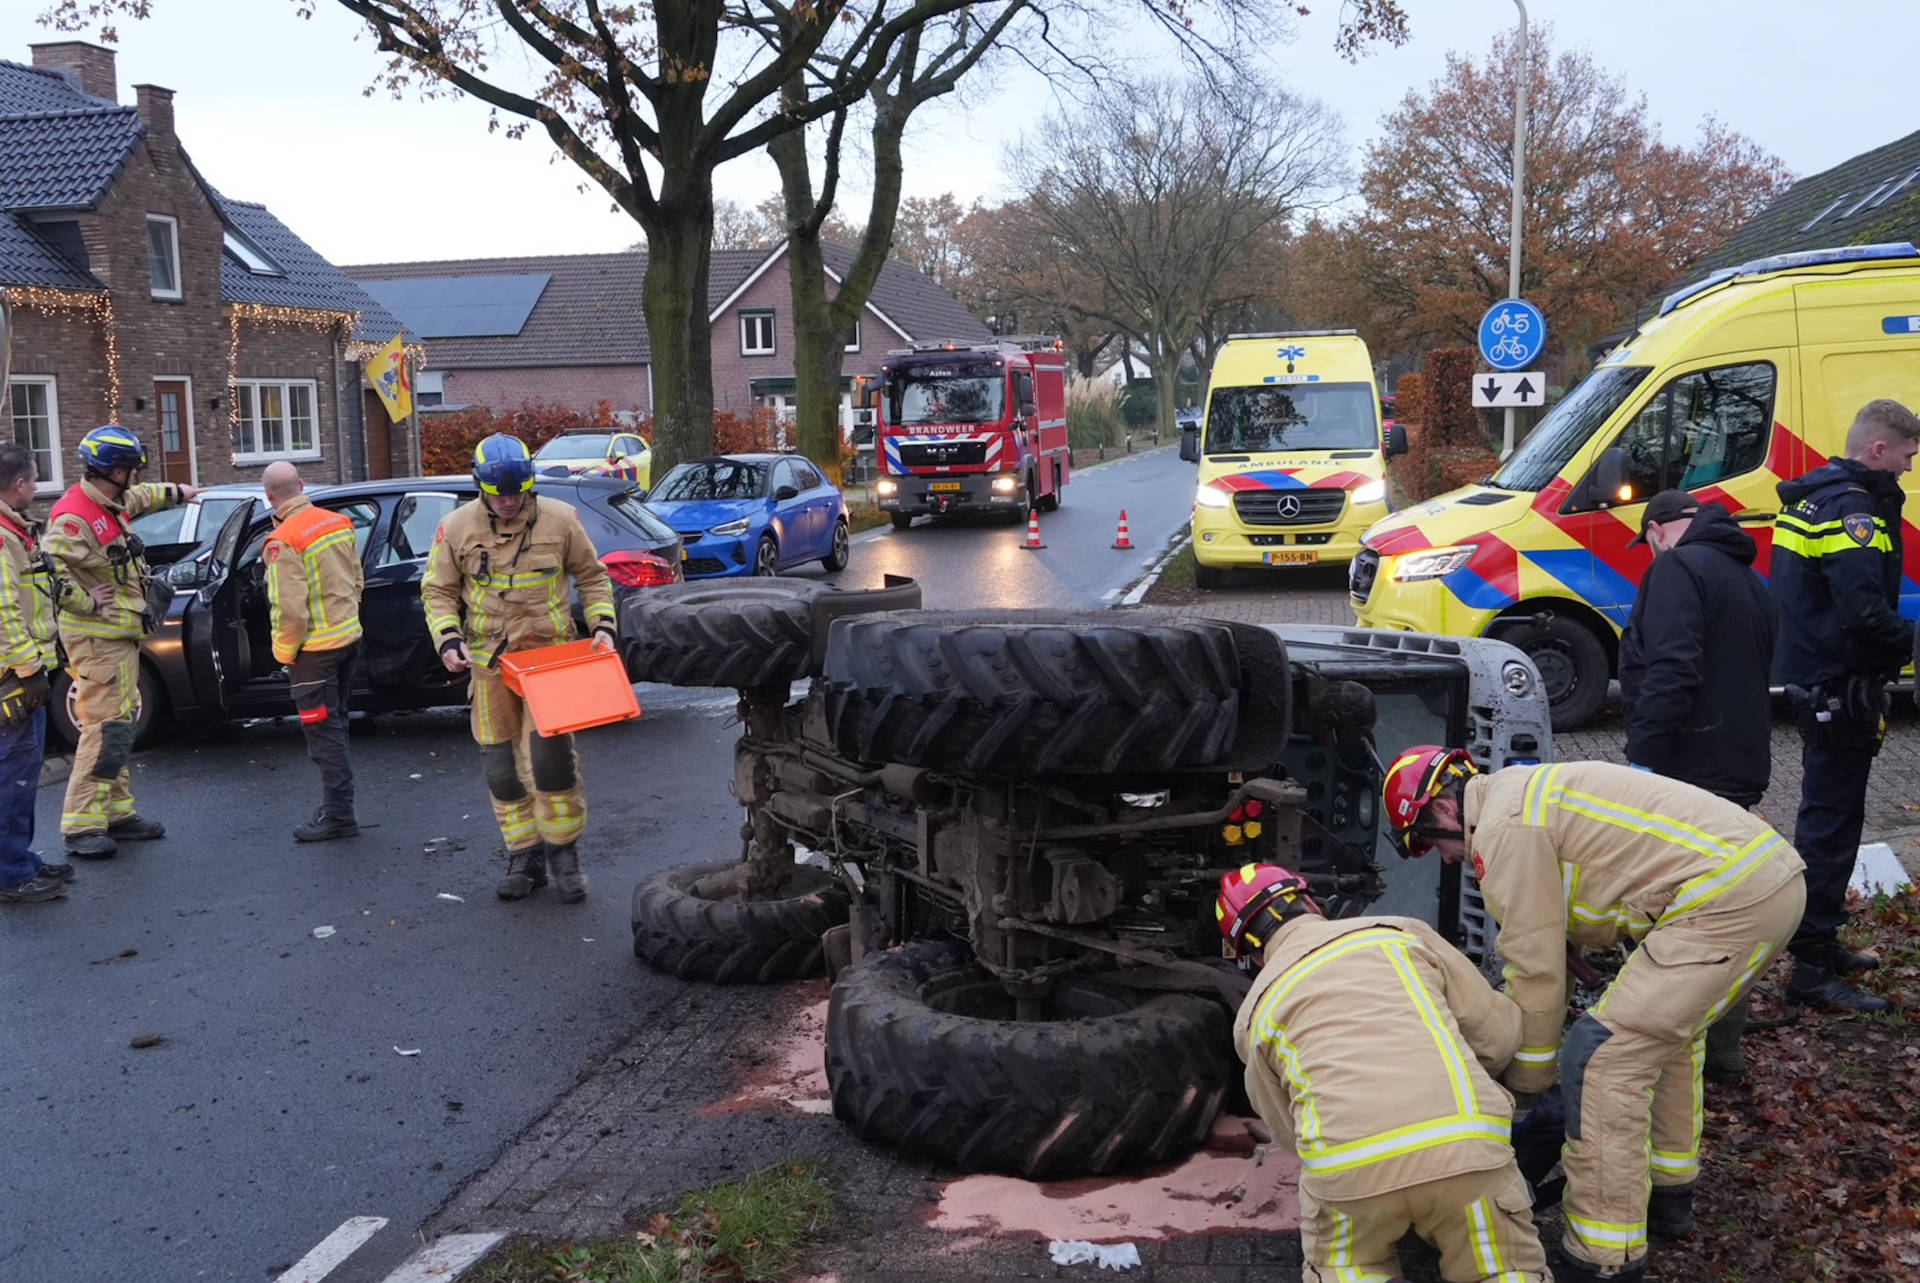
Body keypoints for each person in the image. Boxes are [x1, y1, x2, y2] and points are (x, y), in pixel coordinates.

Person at [1384, 750, 1806, 1282]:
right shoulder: (1522, 795)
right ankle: (1669, 1195)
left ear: (1443, 809)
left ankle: (1602, 1255)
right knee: (1661, 1042)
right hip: (1765, 882)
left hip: (1723, 904)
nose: (1444, 859)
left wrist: (1526, 1091)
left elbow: (1534, 973)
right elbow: (1602, 880)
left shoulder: (1501, 829)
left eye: (1428, 842)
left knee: (1601, 1059)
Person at [1221, 863, 1549, 1283]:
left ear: (1247, 950)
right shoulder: (1398, 934)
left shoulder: (1255, 1013)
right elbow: (1497, 1036)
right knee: (1504, 1271)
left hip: (1350, 1174)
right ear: (1311, 903)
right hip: (1465, 1149)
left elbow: (1287, 1128)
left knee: (1349, 1268)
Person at [1617, 488, 1779, 1081]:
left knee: (1676, 907)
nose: (1651, 551)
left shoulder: (1679, 569)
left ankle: (1675, 1042)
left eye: (1649, 541)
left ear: (1660, 529)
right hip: (1739, 762)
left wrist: (1642, 759)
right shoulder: (1746, 575)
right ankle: (1724, 1048)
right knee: (1726, 906)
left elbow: (1673, 667)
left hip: (1687, 765)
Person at [1770, 397, 1920, 1014]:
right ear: (1879, 450)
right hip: (1839, 686)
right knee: (1830, 827)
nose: (1910, 471)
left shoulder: (1813, 497)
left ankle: (1820, 944)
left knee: (1832, 820)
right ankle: (1809, 967)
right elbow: (1862, 611)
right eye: (1908, 458)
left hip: (1821, 683)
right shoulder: (1854, 510)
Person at [422, 434, 616, 902]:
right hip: (489, 665)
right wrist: (448, 639)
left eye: (517, 492)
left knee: (550, 761)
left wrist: (603, 626)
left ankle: (563, 854)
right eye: (499, 493)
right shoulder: (456, 528)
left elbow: (592, 577)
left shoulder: (560, 519)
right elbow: (438, 591)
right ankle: (524, 856)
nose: (509, 502)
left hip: (551, 662)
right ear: (481, 485)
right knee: (501, 767)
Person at [42, 426, 196, 859]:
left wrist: (180, 492)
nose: (134, 476)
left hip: (118, 635)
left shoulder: (108, 500)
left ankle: (118, 814)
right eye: (130, 468)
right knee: (103, 728)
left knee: (120, 724)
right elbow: (48, 573)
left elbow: (142, 497)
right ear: (112, 470)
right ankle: (80, 825)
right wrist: (86, 600)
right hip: (97, 640)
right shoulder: (73, 517)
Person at [262, 461, 364, 842]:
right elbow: (357, 577)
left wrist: (284, 654)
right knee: (336, 726)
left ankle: (339, 815)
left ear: (269, 495)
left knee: (323, 734)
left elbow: (290, 610)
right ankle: (337, 804)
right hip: (348, 640)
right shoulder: (337, 521)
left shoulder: (283, 540)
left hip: (315, 652)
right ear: (301, 485)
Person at [0, 445, 70, 903]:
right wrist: (29, 670)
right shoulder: (3, 538)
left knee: (22, 775)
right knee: (15, 778)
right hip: (13, 678)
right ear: (20, 484)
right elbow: (3, 612)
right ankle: (10, 874)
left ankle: (19, 859)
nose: (39, 486)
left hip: (24, 669)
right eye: (36, 478)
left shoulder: (15, 531)